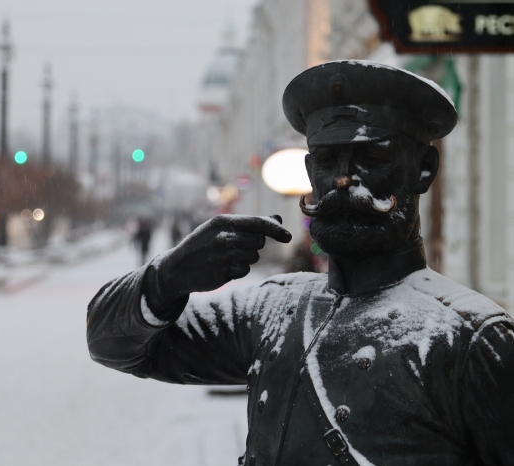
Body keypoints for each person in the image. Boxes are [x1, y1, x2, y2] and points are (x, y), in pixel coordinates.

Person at [87, 61, 514, 465]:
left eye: (372, 157)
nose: (344, 179)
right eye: (328, 161)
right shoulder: (269, 312)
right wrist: (169, 277)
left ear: (423, 170)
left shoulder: (472, 340)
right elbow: (113, 345)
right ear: (311, 171)